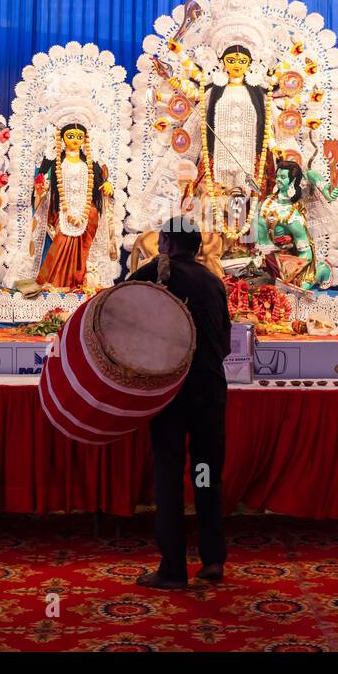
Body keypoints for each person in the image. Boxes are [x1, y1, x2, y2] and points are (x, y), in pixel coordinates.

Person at [127, 217, 232, 589]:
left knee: (169, 476)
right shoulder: (213, 282)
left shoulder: (158, 271)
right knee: (205, 474)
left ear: (167, 242)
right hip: (209, 392)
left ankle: (172, 568)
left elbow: (116, 305)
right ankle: (212, 559)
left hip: (171, 392)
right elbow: (226, 342)